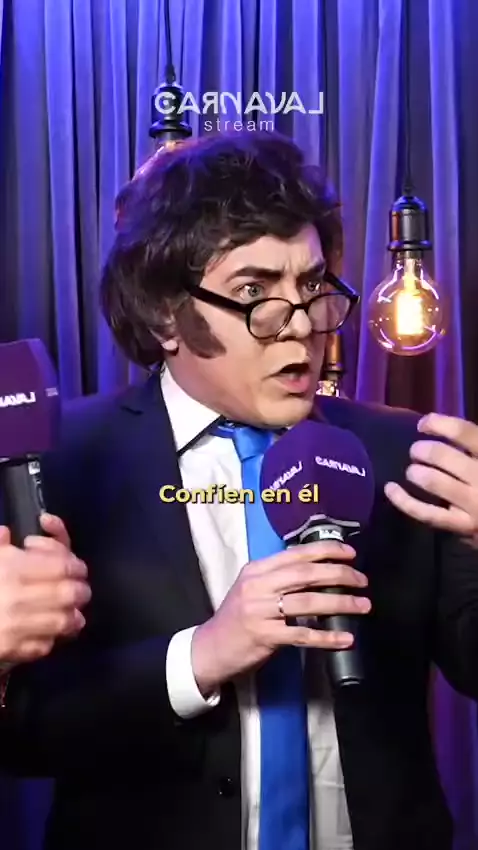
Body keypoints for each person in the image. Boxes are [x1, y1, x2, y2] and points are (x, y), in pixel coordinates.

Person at [2, 130, 478, 850]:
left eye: (311, 287)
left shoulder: (408, 454)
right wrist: (199, 656)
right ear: (165, 314)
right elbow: (23, 731)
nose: (301, 326)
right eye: (254, 292)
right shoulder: (58, 462)